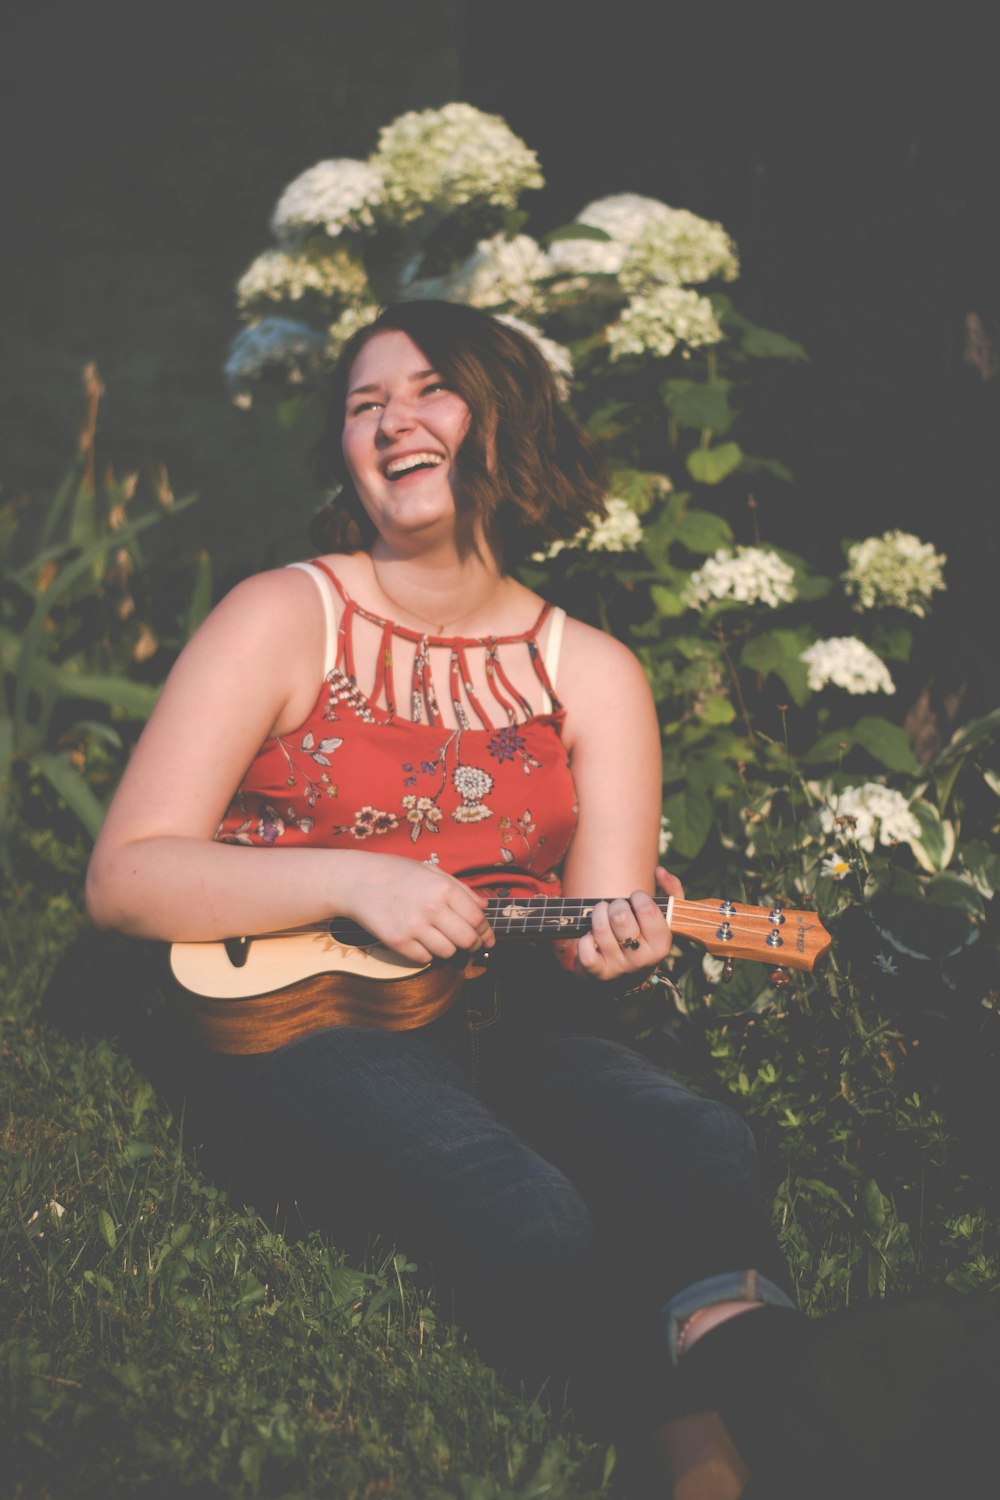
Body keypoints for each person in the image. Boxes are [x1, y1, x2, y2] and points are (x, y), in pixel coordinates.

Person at [85, 301, 938, 1498]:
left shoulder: (591, 671)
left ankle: (764, 1369)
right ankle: (686, 1451)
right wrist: (354, 876)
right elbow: (126, 877)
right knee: (513, 1197)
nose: (391, 423)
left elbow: (593, 928)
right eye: (361, 405)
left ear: (503, 417)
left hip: (517, 1014)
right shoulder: (280, 617)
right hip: (309, 1014)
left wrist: (619, 956)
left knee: (691, 1132)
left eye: (428, 390)